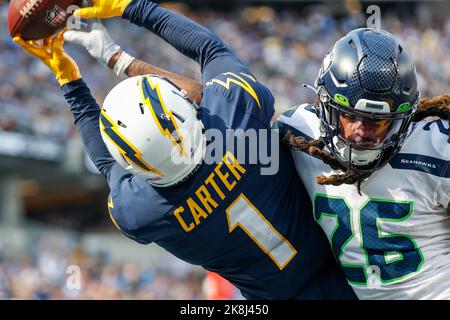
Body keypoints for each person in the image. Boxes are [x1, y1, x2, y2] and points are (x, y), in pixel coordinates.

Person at [13, 0, 356, 299]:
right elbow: (211, 53)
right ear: (188, 111)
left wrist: (67, 77)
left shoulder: (142, 213)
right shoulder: (234, 119)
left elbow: (106, 164)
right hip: (353, 273)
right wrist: (133, 8)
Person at [275, 28, 450, 299]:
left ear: (404, 119)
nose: (360, 131)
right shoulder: (298, 134)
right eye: (349, 116)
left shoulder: (435, 150)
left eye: (377, 122)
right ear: (325, 106)